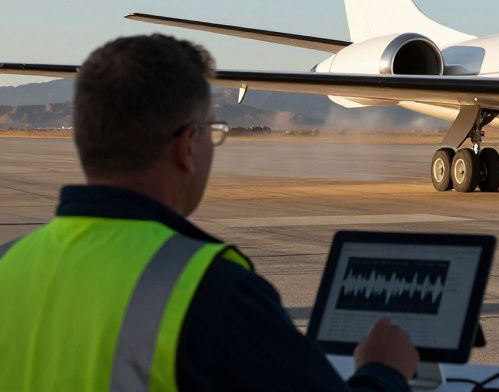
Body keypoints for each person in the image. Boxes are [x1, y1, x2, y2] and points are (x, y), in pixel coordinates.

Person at [0, 35, 419, 391]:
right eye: (210, 132)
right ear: (186, 146)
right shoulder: (209, 289)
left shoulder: (9, 263)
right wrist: (383, 371)